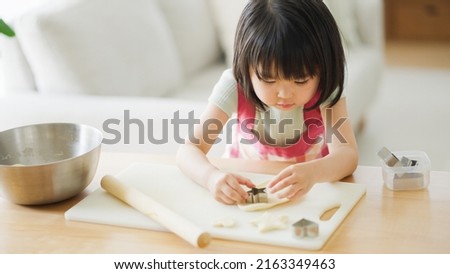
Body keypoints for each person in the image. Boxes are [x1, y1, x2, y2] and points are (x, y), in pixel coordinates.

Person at [176, 0, 358, 205]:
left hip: (306, 196)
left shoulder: (326, 88)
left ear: (325, 67)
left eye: (301, 80)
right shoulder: (235, 85)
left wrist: (313, 173)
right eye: (268, 80)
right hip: (244, 191)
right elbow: (189, 148)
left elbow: (347, 155)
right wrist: (211, 177)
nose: (284, 94)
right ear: (246, 67)